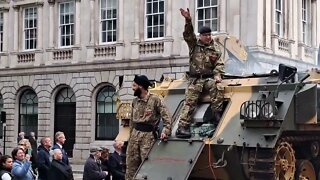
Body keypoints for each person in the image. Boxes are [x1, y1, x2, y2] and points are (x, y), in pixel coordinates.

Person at [175, 8, 225, 138]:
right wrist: (188, 20)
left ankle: (217, 114)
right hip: (195, 79)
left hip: (208, 79)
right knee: (190, 101)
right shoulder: (194, 45)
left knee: (217, 86)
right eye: (205, 35)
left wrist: (217, 75)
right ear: (200, 36)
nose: (208, 37)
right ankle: (182, 127)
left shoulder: (215, 49)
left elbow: (219, 63)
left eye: (209, 34)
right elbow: (188, 34)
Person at [125, 75, 172, 180]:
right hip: (134, 136)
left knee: (147, 167)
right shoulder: (135, 101)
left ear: (141, 87)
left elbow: (167, 117)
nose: (132, 88)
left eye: (134, 85)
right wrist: (130, 137)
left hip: (148, 137)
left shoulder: (155, 99)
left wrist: (166, 131)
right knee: (130, 167)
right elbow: (132, 121)